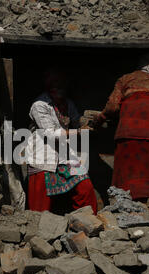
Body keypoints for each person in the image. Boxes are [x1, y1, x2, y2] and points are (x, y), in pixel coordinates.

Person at [92, 53, 149, 201]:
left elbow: (112, 107)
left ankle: (126, 201)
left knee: (130, 168)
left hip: (131, 129)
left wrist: (100, 119)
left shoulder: (126, 79)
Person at [26, 69, 98, 214]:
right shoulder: (39, 105)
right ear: (47, 86)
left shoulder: (67, 104)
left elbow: (77, 121)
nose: (57, 87)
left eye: (61, 84)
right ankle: (38, 234)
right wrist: (78, 132)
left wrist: (87, 122)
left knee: (85, 188)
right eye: (53, 84)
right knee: (40, 207)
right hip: (44, 156)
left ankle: (89, 225)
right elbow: (51, 134)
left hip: (65, 155)